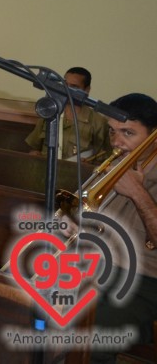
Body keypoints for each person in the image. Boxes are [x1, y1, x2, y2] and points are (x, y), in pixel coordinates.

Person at [90, 92, 157, 363]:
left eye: (127, 133)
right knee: (31, 309)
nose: (116, 143)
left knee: (91, 339)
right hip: (100, 268)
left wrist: (138, 193)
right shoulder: (114, 164)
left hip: (144, 280)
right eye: (112, 132)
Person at [25, 67, 110, 160]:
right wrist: (34, 154)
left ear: (87, 90)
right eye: (64, 85)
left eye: (74, 87)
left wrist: (89, 163)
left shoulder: (98, 122)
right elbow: (34, 147)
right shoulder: (50, 113)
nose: (66, 90)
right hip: (46, 170)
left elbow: (104, 158)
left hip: (77, 173)